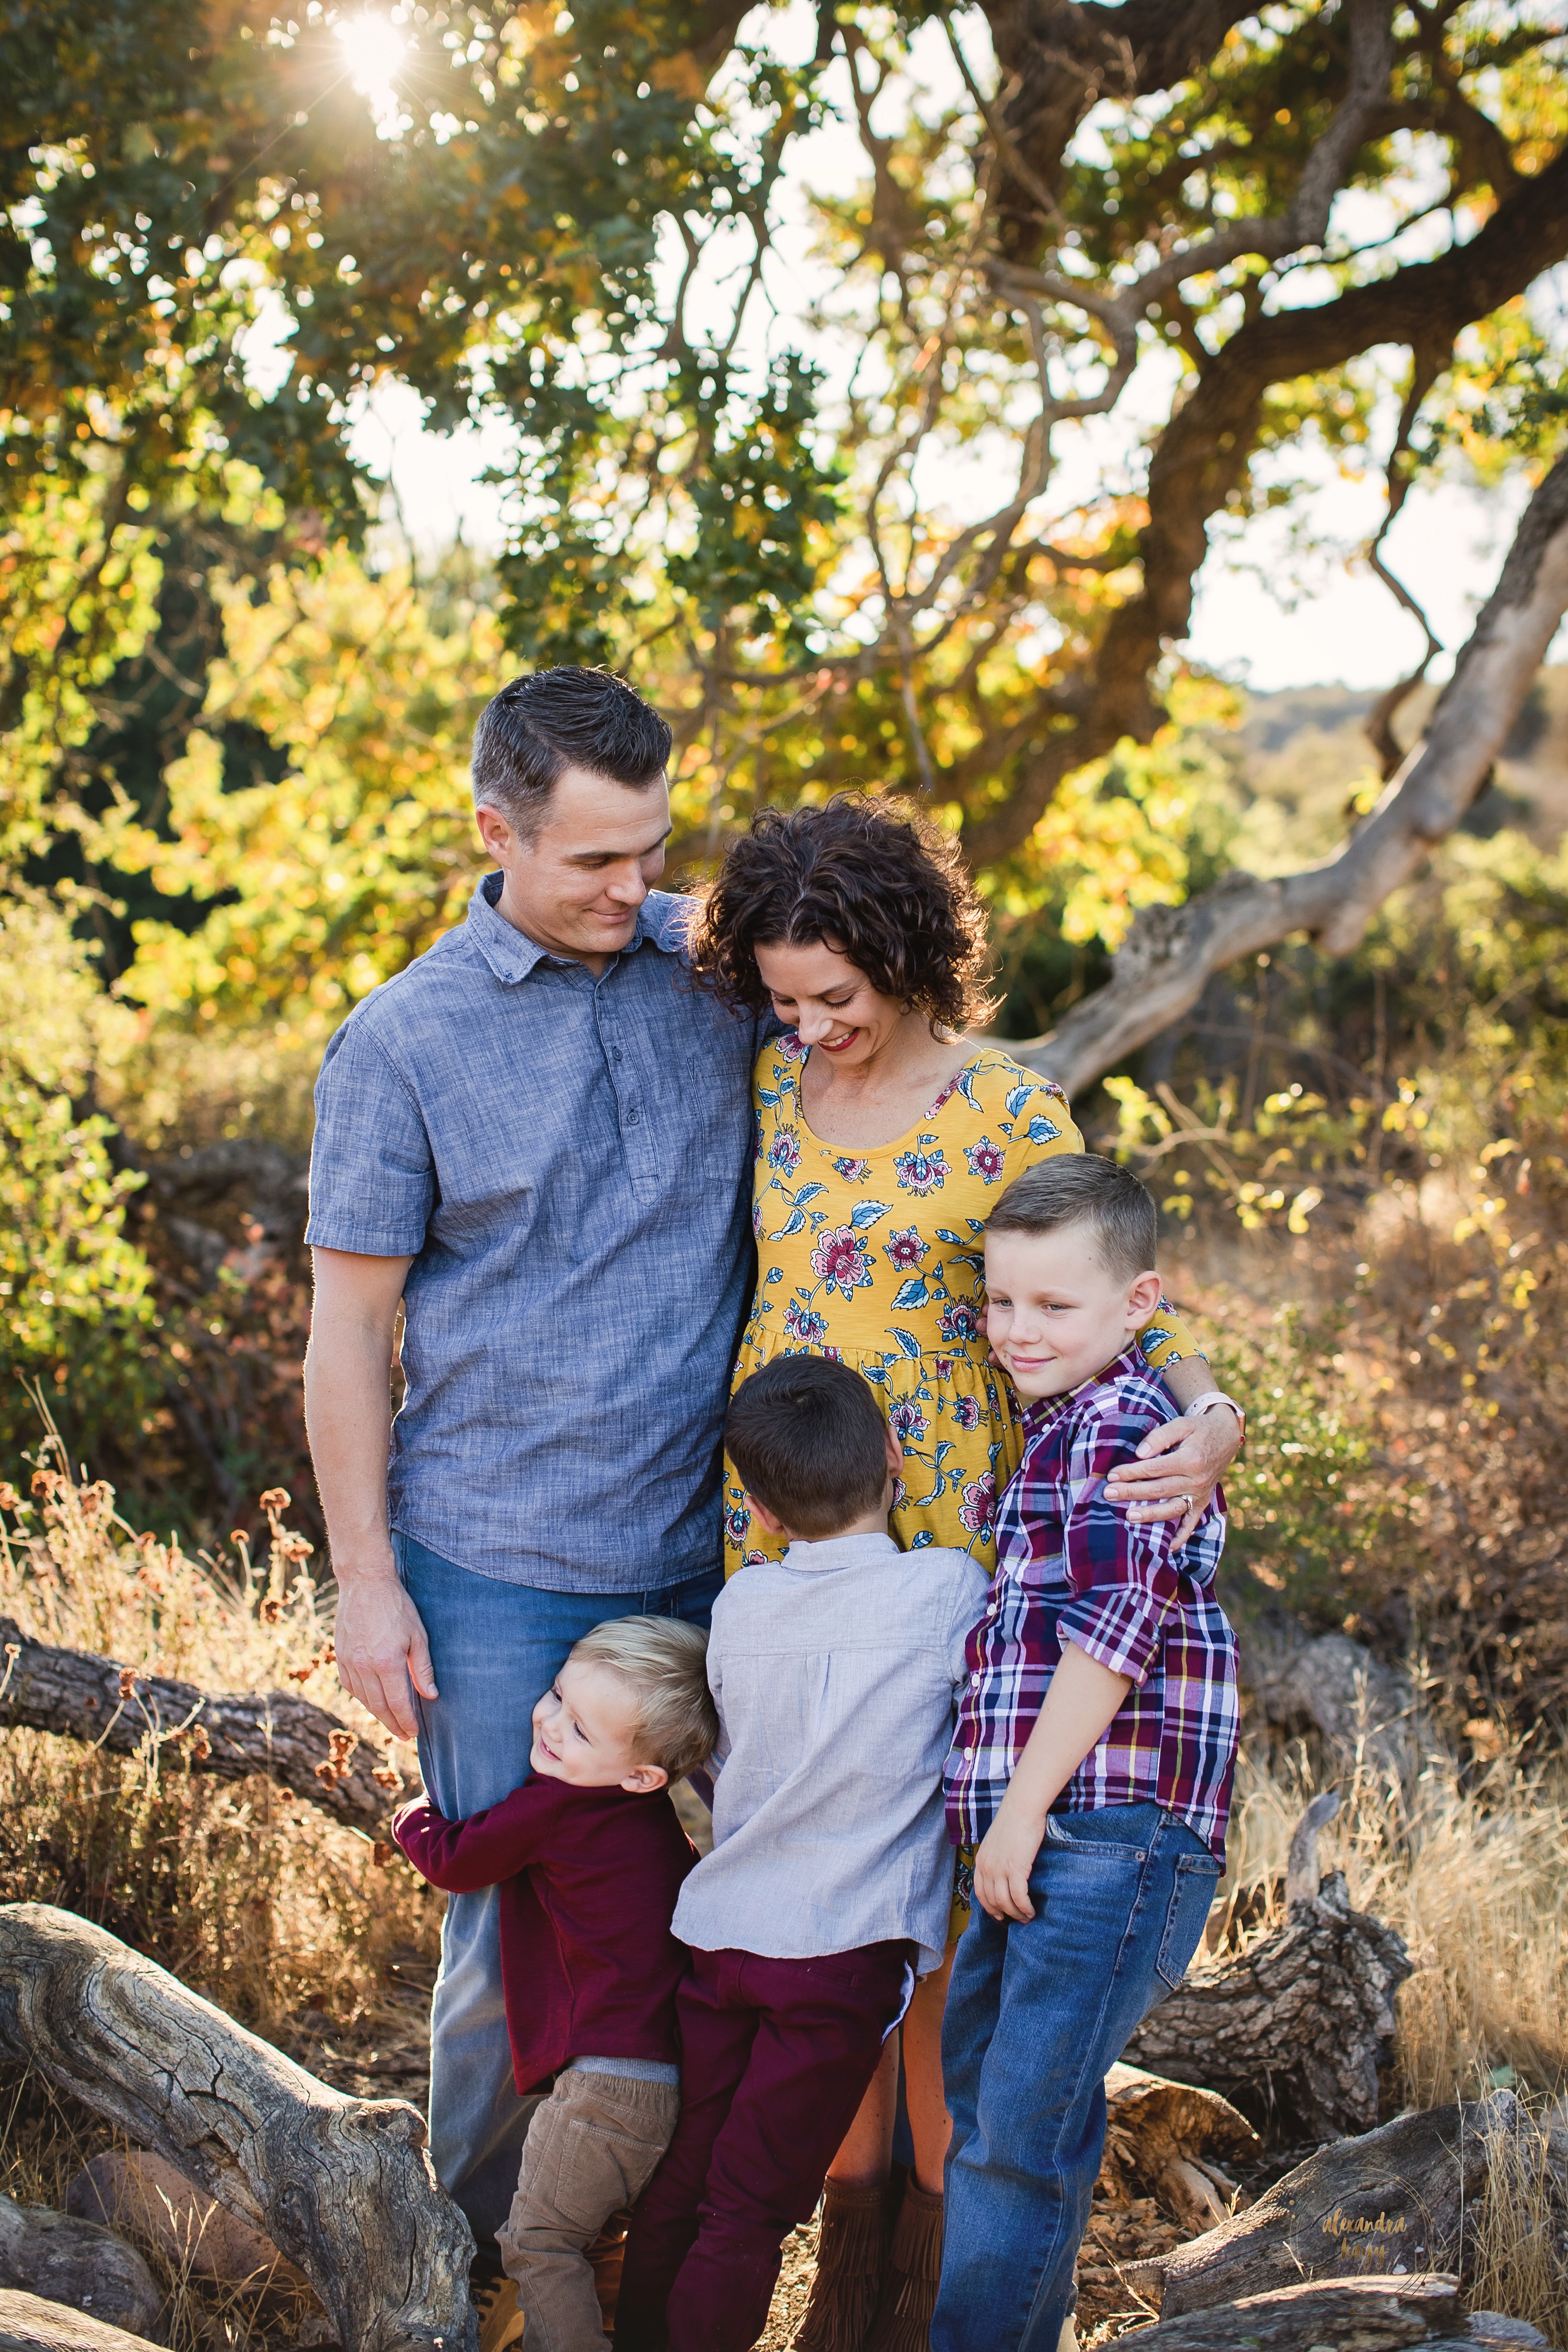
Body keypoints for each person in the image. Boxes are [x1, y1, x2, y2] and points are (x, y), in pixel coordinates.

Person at [684, 794, 1246, 2346]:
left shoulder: (1008, 1105)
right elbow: (632, 906)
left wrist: (1210, 1412)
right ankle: (843, 2240)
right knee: (818, 1881)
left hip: (958, 1539)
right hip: (789, 1535)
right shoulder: (762, 1080)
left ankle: (915, 2277)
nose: (808, 1026)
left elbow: (1109, 1286)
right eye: (782, 997)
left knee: (929, 1902)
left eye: (834, 998)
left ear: (909, 957)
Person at [302, 666, 768, 2248]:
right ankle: (479, 2272)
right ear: (492, 829)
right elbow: (347, 1337)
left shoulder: (718, 964)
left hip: (711, 1564)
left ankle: (647, 2273)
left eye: (651, 849)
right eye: (594, 861)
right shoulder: (401, 1044)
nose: (636, 890)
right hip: (492, 1568)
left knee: (710, 1926)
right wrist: (368, 1585)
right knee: (514, 1957)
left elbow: (933, 1096)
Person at [615, 1356, 989, 2352]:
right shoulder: (949, 1588)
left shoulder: (741, 1606)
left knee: (688, 2174)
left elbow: (727, 1751)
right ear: (897, 1459)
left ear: (764, 1516)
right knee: (748, 2211)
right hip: (838, 1956)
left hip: (725, 1934)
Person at [933, 1156, 1240, 2352]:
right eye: (1002, 1302)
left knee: (1018, 2138)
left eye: (1054, 1307)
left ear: (1138, 1307)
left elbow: (1110, 1642)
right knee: (998, 2113)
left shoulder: (1118, 1426)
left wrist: (1016, 1812)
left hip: (1103, 1832)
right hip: (1057, 1831)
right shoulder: (1062, 1425)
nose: (1017, 1330)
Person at [393, 1619, 719, 2352]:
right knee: (583, 2231)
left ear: (642, 1774)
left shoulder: (556, 1807)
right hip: (662, 2083)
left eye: (581, 1730)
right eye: (558, 1697)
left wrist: (411, 1818)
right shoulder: (657, 1827)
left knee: (538, 2244)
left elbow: (456, 1860)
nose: (549, 1725)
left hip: (602, 2090)